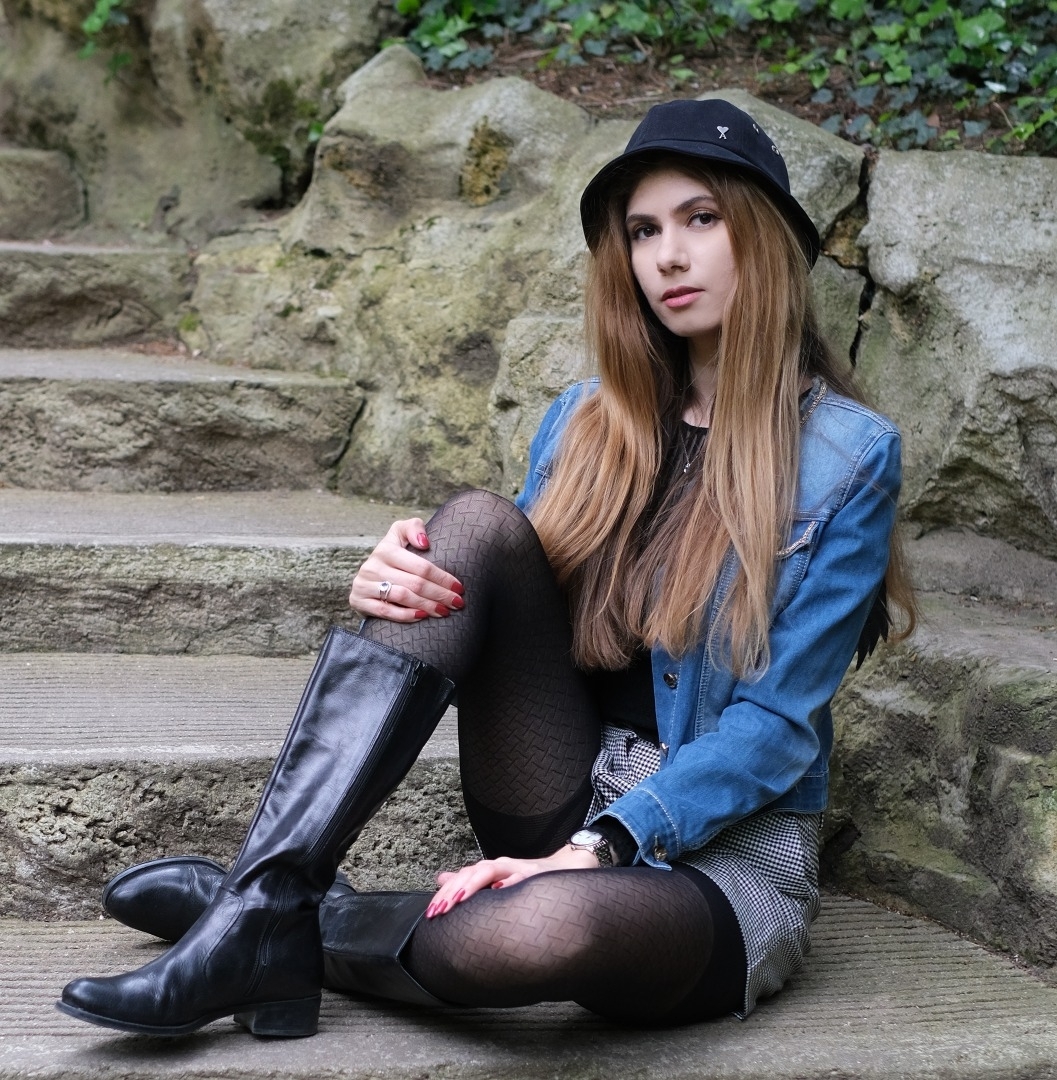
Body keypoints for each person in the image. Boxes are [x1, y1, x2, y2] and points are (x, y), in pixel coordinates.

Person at [57, 97, 915, 1037]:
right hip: (565, 777)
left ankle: (270, 918)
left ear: (763, 239)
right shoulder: (584, 420)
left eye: (700, 219)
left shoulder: (847, 457)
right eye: (642, 231)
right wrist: (396, 581)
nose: (668, 256)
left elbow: (776, 730)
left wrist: (601, 846)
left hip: (723, 852)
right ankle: (269, 895)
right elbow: (506, 598)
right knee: (466, 527)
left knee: (537, 931)